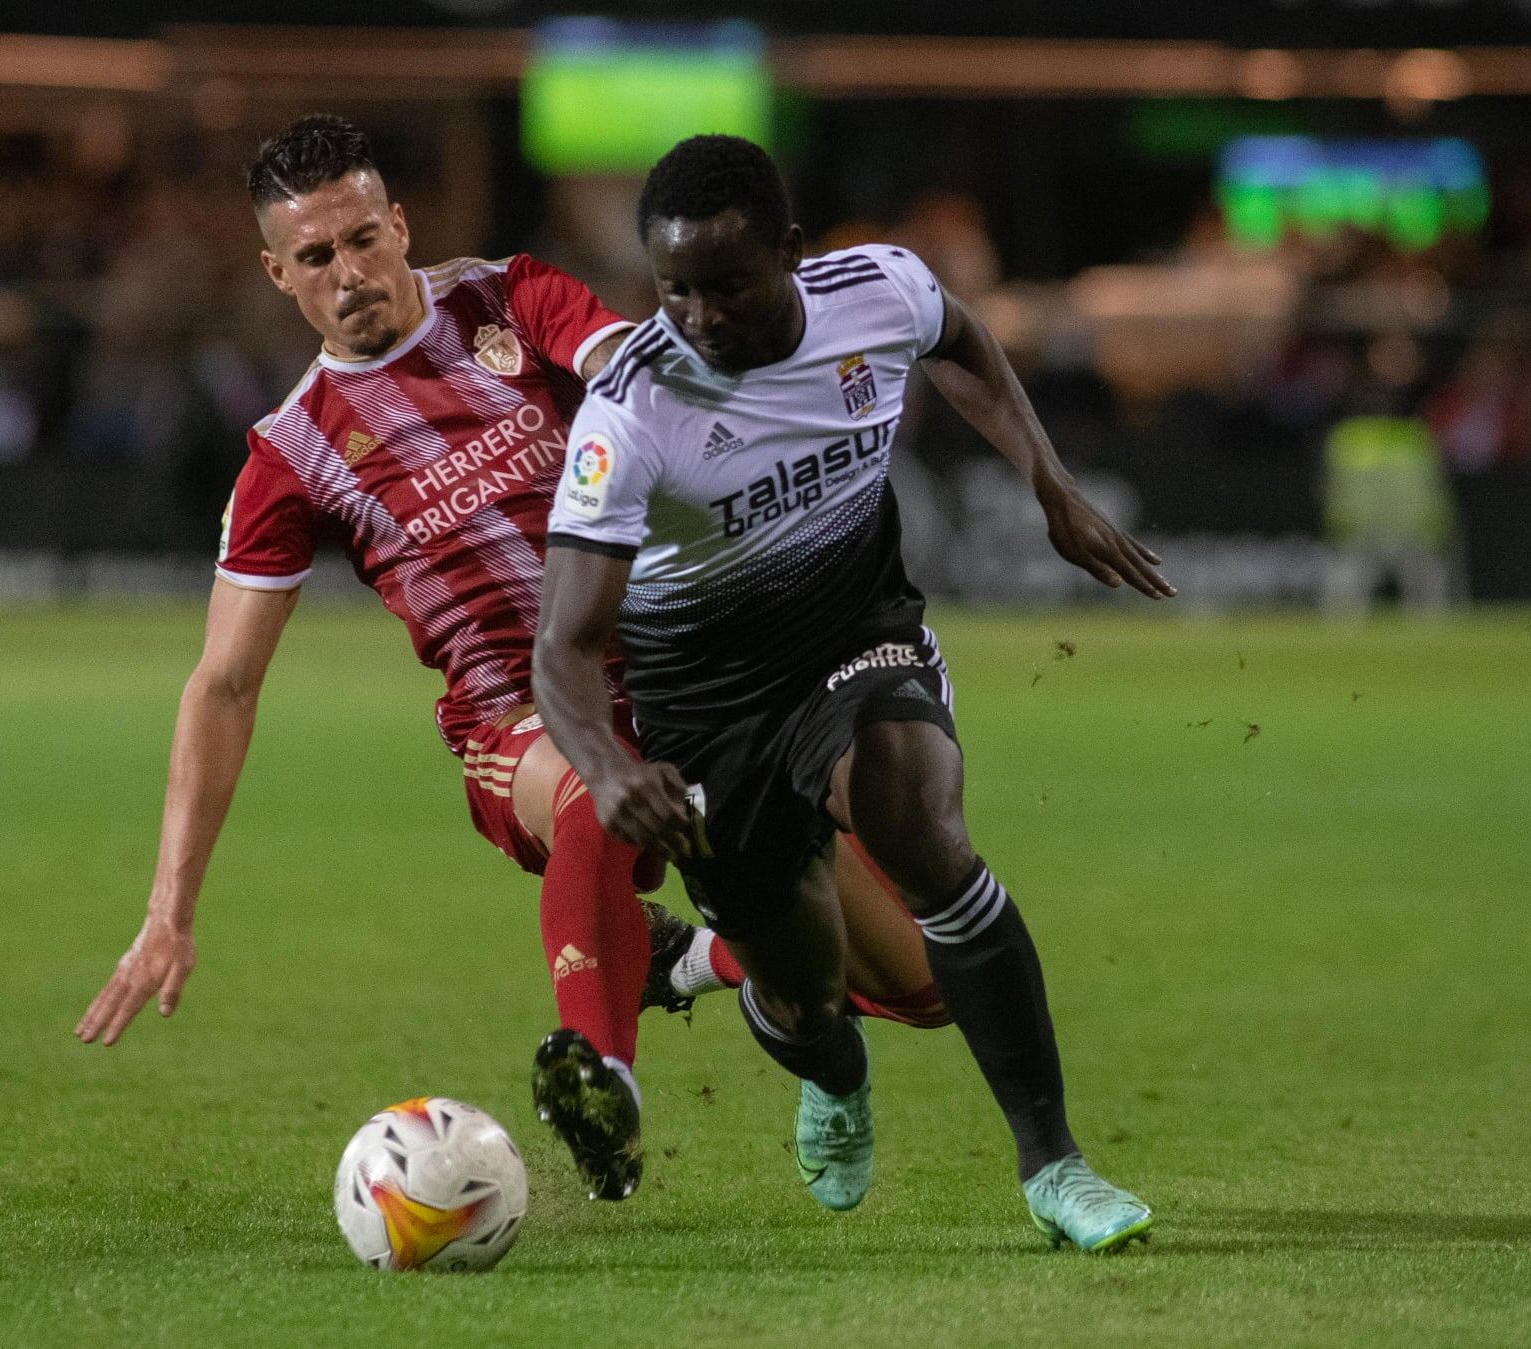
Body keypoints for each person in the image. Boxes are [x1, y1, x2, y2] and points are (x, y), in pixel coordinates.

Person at [73, 116, 947, 1203]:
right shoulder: (288, 454)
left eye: (361, 239)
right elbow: (225, 681)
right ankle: (605, 1078)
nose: (347, 274)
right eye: (314, 256)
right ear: (276, 273)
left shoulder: (509, 298)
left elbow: (638, 374)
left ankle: (712, 962)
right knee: (598, 798)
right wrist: (170, 909)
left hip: (687, 674)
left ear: (398, 225)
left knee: (925, 984)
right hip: (518, 716)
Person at [532, 135, 1172, 1250]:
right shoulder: (630, 410)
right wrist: (607, 764)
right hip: (708, 706)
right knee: (804, 992)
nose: (697, 315)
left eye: (726, 285)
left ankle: (1054, 1165)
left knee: (913, 813)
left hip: (853, 633)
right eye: (673, 289)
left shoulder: (877, 288)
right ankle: (830, 1069)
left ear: (789, 252)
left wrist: (1049, 484)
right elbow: (564, 646)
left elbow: (963, 340)